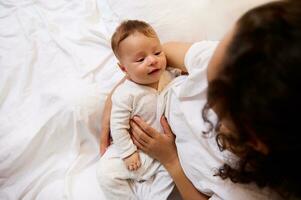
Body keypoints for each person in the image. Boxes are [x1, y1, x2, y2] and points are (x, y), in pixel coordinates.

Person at [102, 0, 301, 199]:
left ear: (252, 139)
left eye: (212, 90)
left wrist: (171, 160)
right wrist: (125, 87)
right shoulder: (231, 56)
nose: (201, 73)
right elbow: (168, 51)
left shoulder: (249, 192)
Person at [97, 20, 178, 200]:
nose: (153, 60)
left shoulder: (170, 75)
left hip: (164, 154)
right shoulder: (125, 94)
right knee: (105, 172)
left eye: (157, 52)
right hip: (134, 151)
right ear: (124, 68)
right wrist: (128, 152)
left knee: (172, 177)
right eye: (141, 59)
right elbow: (117, 126)